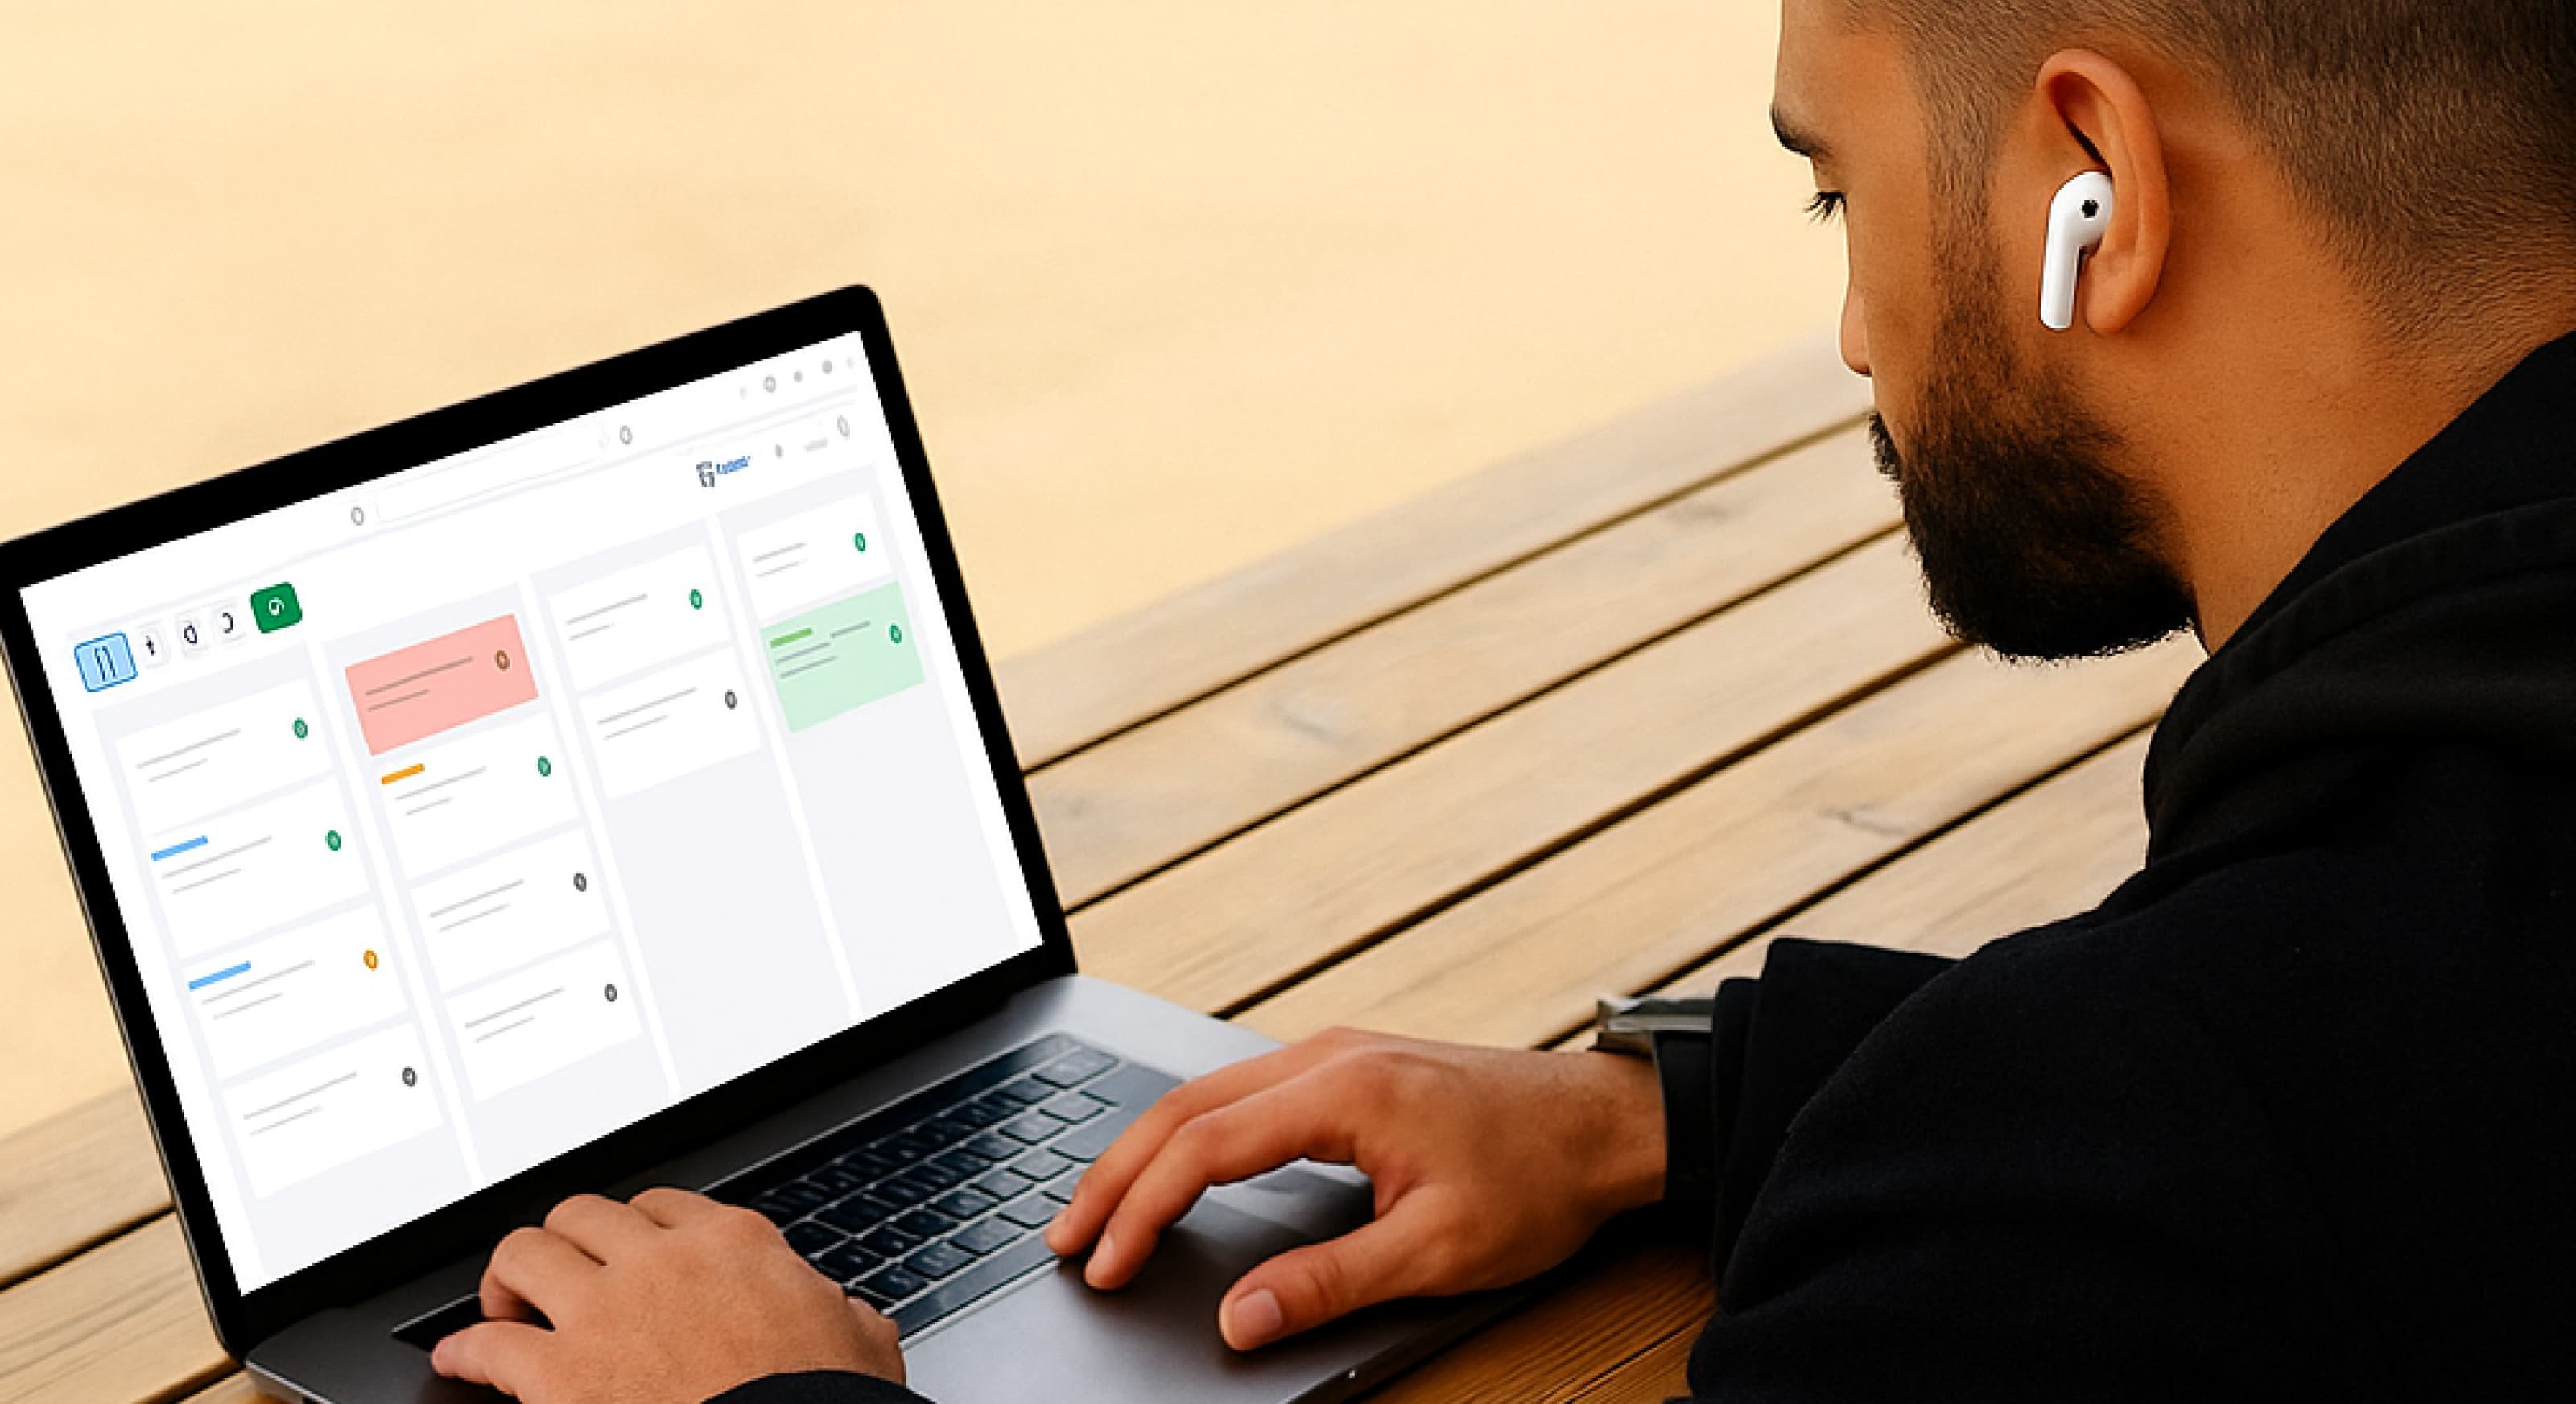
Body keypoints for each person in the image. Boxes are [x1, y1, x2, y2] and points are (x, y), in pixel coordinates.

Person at [430, 1, 2576, 1398]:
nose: (1851, 333)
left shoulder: (2143, 1149)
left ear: (2086, 197)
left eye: (1843, 193)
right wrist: (1686, 1112)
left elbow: (2212, 1132)